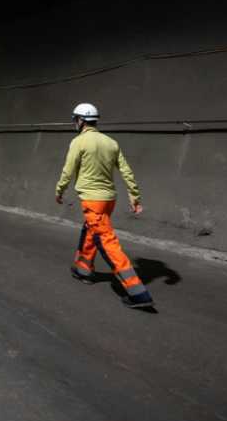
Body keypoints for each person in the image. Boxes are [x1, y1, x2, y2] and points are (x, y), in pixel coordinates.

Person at [55, 103, 155, 309]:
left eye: (75, 120)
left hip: (92, 199)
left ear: (80, 121)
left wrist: (60, 190)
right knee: (91, 229)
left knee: (107, 242)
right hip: (109, 199)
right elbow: (127, 172)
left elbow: (68, 170)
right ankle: (83, 268)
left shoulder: (79, 141)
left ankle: (137, 292)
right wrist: (134, 197)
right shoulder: (111, 142)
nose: (75, 123)